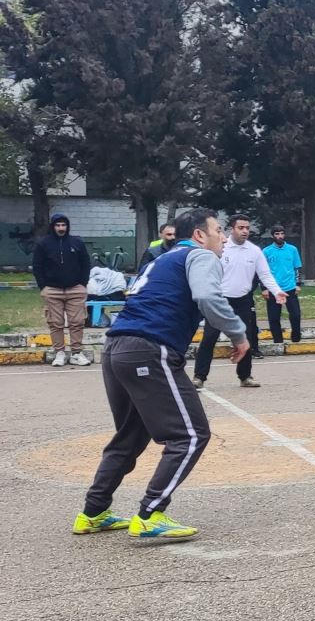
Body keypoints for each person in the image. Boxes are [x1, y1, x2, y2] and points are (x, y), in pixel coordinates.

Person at [71, 207, 249, 542]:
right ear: (199, 235)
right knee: (191, 435)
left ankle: (93, 513)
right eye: (218, 231)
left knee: (130, 437)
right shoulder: (200, 255)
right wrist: (239, 335)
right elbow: (207, 296)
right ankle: (150, 514)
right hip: (149, 348)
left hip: (117, 348)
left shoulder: (161, 259)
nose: (224, 238)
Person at [193, 215, 286, 389]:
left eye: (247, 228)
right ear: (232, 229)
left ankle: (245, 376)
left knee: (246, 338)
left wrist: (276, 291)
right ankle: (199, 377)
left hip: (243, 300)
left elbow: (265, 274)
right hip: (220, 300)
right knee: (209, 337)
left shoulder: (254, 251)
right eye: (241, 228)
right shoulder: (221, 248)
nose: (245, 231)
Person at [33, 212, 93, 367]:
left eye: (63, 225)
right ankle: (59, 353)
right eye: (58, 225)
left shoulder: (77, 242)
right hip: (52, 290)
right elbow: (37, 266)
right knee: (55, 323)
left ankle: (76, 353)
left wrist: (83, 284)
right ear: (53, 226)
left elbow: (86, 263)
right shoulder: (43, 244)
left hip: (75, 289)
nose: (61, 228)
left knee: (77, 322)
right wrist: (43, 287)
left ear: (67, 226)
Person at [261, 225, 304, 344]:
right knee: (274, 317)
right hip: (273, 289)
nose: (280, 236)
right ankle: (278, 341)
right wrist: (264, 288)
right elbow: (262, 271)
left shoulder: (292, 249)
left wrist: (298, 284)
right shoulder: (266, 251)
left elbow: (297, 268)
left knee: (295, 315)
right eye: (277, 234)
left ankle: (296, 338)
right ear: (272, 236)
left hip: (290, 287)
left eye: (282, 233)